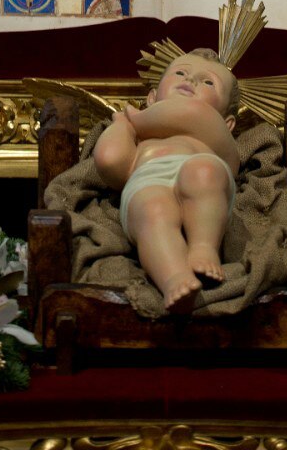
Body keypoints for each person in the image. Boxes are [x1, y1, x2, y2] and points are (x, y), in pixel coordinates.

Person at [93, 48, 240, 310]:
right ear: (151, 97)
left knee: (203, 173)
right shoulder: (141, 142)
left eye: (208, 82)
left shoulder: (216, 136)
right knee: (153, 210)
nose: (190, 80)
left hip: (204, 172)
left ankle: (204, 247)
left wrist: (135, 118)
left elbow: (194, 114)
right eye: (180, 73)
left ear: (228, 123)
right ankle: (174, 278)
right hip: (148, 180)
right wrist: (121, 126)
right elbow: (110, 161)